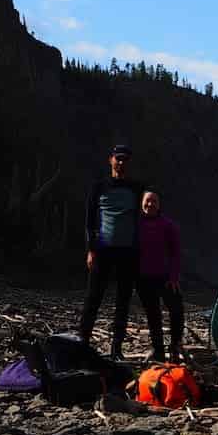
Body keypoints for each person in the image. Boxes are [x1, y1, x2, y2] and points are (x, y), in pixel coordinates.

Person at [79, 144, 146, 359]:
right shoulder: (99, 187)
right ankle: (83, 342)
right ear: (111, 160)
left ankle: (116, 349)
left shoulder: (136, 188)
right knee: (93, 298)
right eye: (118, 158)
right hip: (103, 250)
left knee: (123, 301)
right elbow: (90, 221)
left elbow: (142, 218)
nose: (121, 162)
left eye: (125, 159)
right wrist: (90, 250)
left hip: (127, 252)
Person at [136, 190, 184, 360]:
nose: (150, 204)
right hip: (143, 278)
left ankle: (175, 347)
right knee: (153, 314)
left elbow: (176, 253)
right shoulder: (135, 225)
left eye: (154, 201)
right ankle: (158, 350)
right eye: (147, 201)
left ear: (160, 204)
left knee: (177, 311)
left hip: (166, 278)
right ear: (141, 202)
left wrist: (174, 277)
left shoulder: (168, 225)